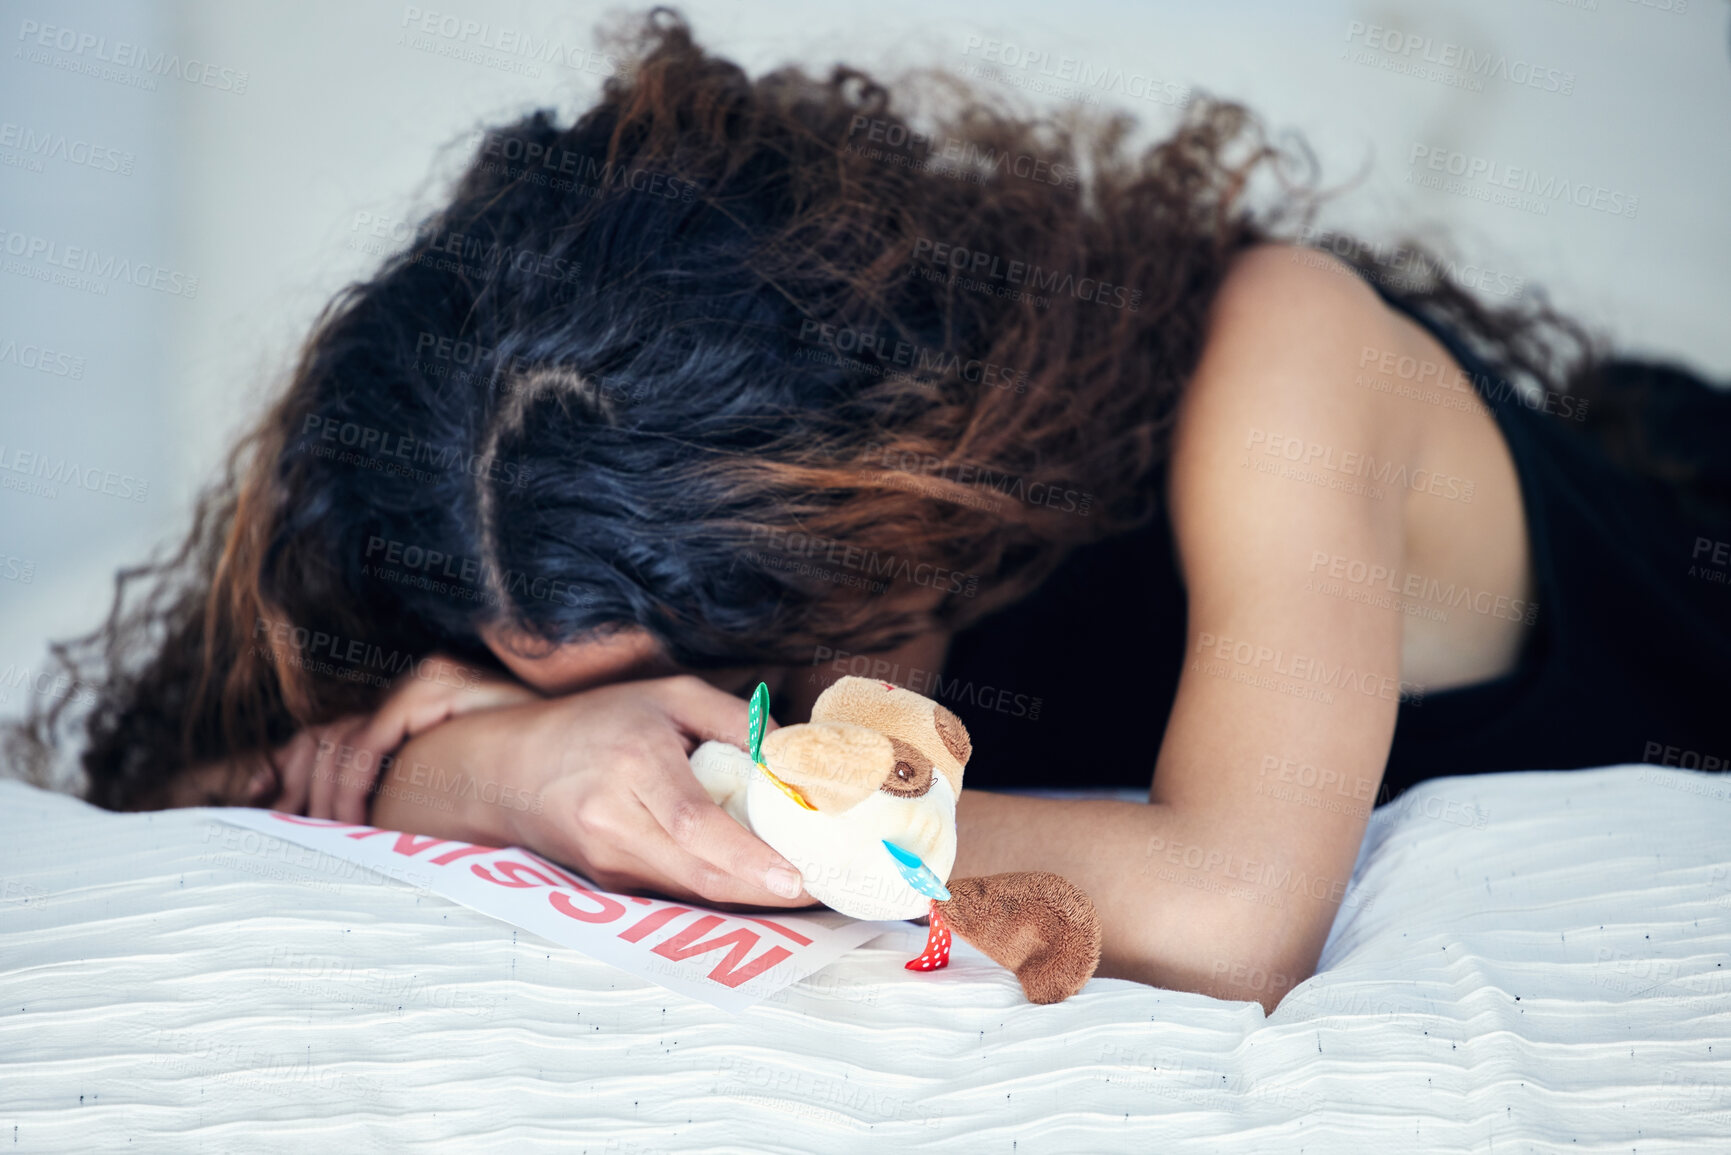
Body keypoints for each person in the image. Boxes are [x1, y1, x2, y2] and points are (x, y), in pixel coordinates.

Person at [11, 10, 1729, 1014]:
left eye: (709, 680)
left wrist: (539, 783)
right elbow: (188, 787)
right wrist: (461, 763)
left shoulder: (1280, 354)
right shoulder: (515, 529)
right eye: (530, 683)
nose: (614, 723)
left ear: (885, 504)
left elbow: (1230, 906)